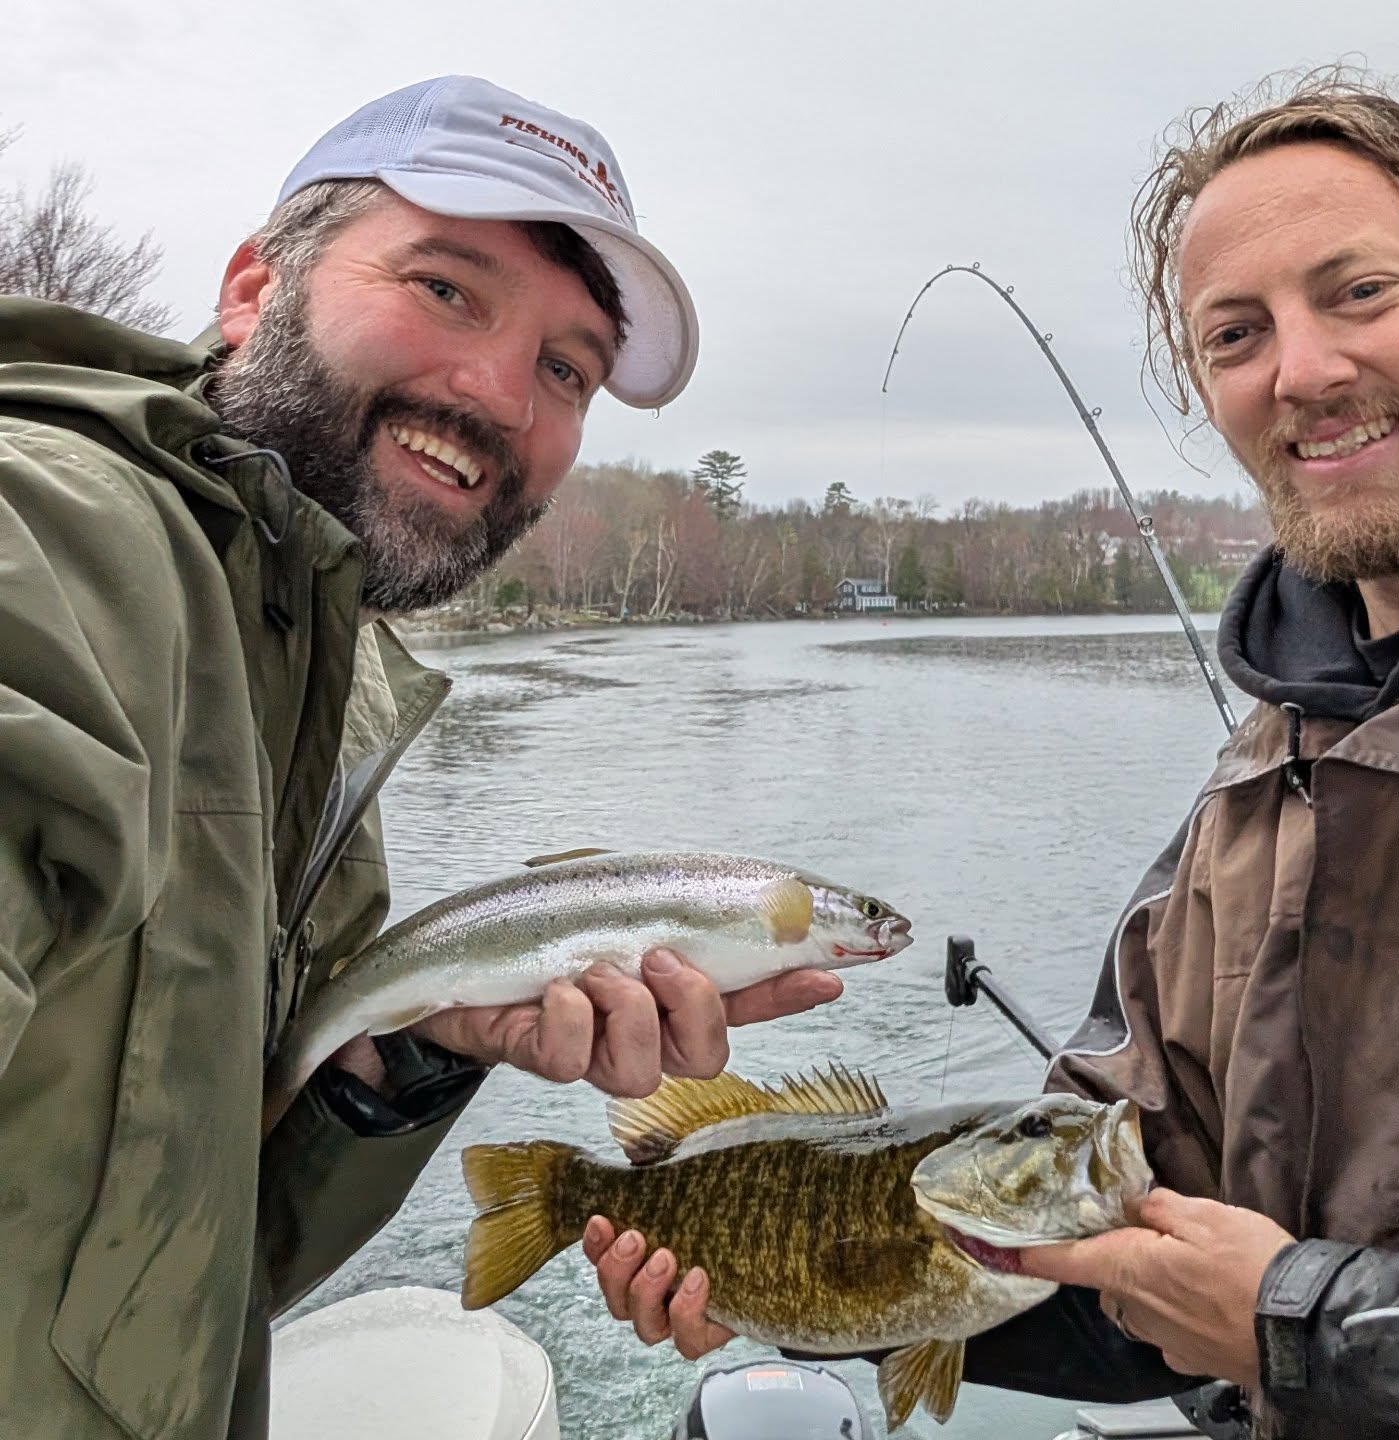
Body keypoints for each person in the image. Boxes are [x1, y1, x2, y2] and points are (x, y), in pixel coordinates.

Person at [584, 69, 1399, 1440]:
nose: (1304, 371)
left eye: (1359, 293)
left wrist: (1309, 1326)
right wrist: (809, 1277)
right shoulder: (1246, 806)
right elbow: (1135, 1282)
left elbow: (1258, 1311)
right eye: (1233, 333)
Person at [0, 75, 843, 1439]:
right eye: (448, 290)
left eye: (566, 369)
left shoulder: (313, 704)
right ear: (249, 288)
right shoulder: (54, 540)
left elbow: (171, 1282)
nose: (502, 393)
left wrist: (405, 1054)